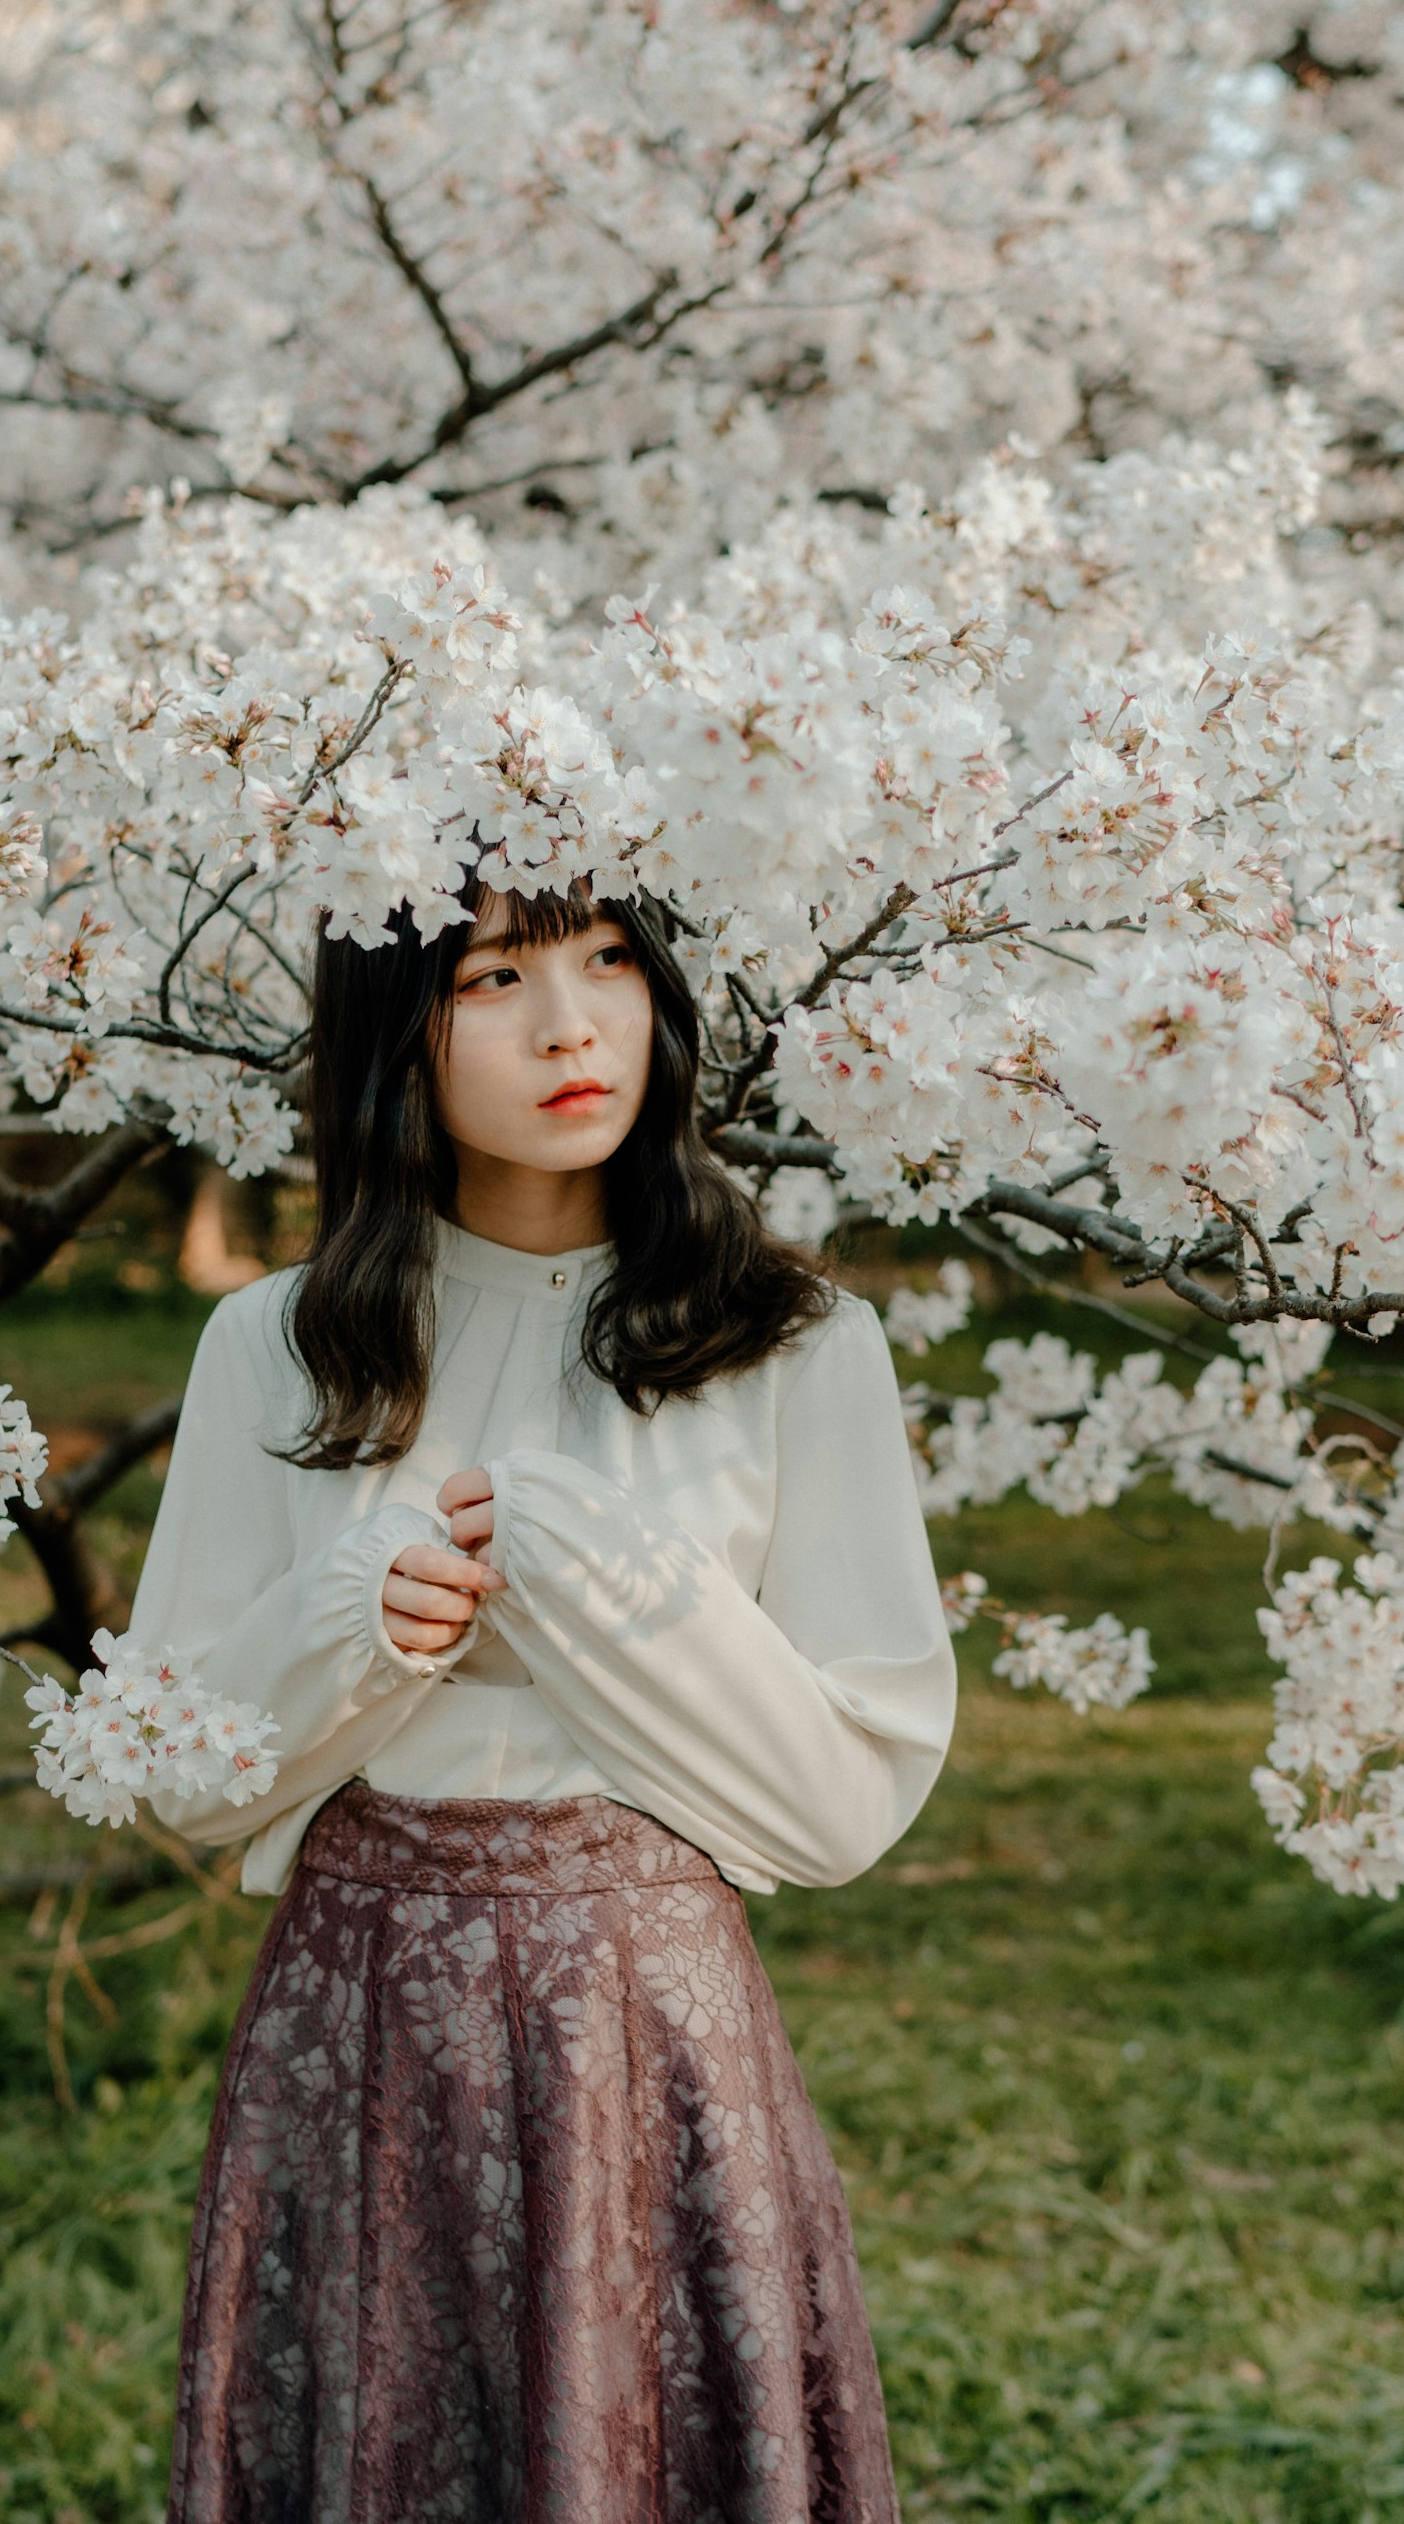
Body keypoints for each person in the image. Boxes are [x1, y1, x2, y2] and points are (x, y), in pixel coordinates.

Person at [136, 884, 958, 2523]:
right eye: (497, 975)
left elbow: (844, 1799)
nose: (571, 1025)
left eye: (609, 963)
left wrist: (612, 1586)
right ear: (395, 1031)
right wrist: (350, 1624)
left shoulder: (792, 1344)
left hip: (647, 2022)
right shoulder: (276, 1348)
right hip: (361, 2017)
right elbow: (177, 1768)